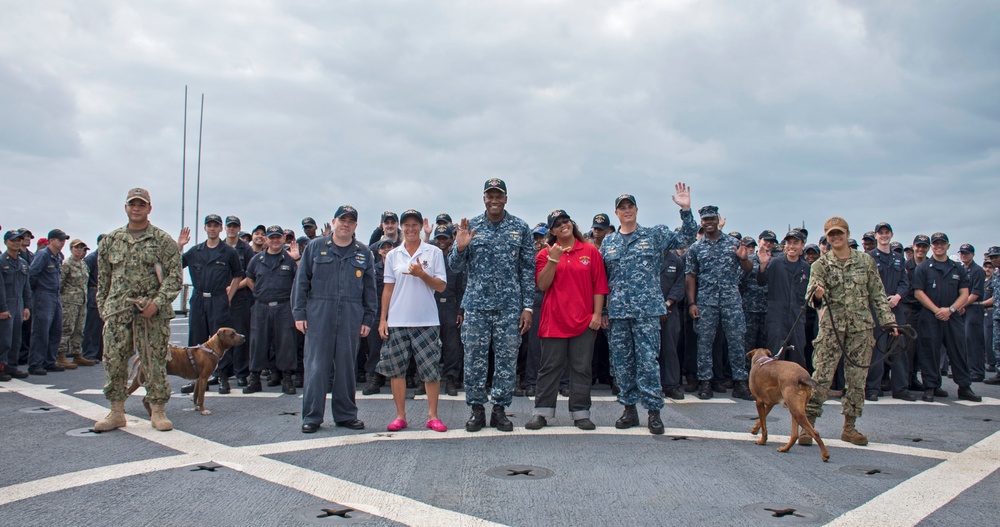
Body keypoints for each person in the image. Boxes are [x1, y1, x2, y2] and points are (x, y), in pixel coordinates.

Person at [601, 184, 697, 435]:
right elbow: (601, 280)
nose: (627, 210)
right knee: (622, 364)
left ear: (636, 210)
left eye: (630, 206)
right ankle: (629, 409)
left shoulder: (653, 236)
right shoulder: (608, 242)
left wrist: (686, 210)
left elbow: (687, 238)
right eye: (622, 208)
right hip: (619, 313)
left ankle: (654, 412)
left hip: (645, 312)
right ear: (616, 213)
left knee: (648, 362)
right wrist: (602, 312)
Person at [94, 187, 183, 432]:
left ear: (149, 209)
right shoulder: (111, 241)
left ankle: (158, 410)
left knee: (154, 361)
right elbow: (103, 280)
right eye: (132, 204)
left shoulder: (162, 241)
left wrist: (157, 303)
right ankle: (116, 410)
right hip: (118, 312)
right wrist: (104, 309)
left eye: (141, 204)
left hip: (151, 313)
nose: (136, 208)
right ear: (126, 207)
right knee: (114, 360)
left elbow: (175, 277)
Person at [804, 216, 899, 446]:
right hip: (832, 329)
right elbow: (810, 299)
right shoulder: (821, 265)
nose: (836, 237)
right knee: (821, 377)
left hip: (861, 329)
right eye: (831, 235)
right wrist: (817, 295)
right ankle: (808, 426)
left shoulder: (865, 261)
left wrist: (889, 321)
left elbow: (877, 293)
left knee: (857, 378)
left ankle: (850, 427)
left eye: (839, 233)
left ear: (847, 234)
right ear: (827, 238)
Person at [449, 178, 534, 432]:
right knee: (474, 358)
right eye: (490, 196)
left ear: (506, 199)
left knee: (507, 360)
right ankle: (476, 409)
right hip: (476, 306)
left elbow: (527, 270)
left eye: (499, 196)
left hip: (509, 307)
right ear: (484, 198)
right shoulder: (471, 227)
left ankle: (499, 410)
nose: (494, 200)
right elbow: (454, 266)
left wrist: (527, 307)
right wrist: (461, 248)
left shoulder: (520, 228)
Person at [294, 205, 377, 433]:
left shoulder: (363, 253)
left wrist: (368, 318)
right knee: (316, 367)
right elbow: (301, 282)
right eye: (342, 220)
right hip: (320, 313)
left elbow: (369, 290)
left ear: (356, 226)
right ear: (333, 221)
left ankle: (346, 415)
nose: (346, 224)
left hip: (351, 314)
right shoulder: (315, 247)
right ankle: (311, 416)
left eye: (351, 221)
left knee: (346, 368)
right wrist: (299, 313)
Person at [525, 210, 608, 431]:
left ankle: (580, 413)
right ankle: (541, 412)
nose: (564, 225)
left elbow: (599, 286)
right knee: (549, 367)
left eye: (566, 221)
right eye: (558, 224)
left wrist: (597, 315)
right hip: (554, 321)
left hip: (584, 321)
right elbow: (542, 285)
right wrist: (553, 258)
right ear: (551, 231)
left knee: (581, 368)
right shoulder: (544, 254)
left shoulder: (590, 251)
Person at [376, 210, 449, 432]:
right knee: (396, 370)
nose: (410, 229)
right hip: (398, 320)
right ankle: (400, 416)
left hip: (426, 320)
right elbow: (388, 288)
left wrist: (422, 274)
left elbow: (441, 286)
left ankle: (432, 416)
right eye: (406, 225)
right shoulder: (393, 255)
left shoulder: (433, 252)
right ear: (401, 228)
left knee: (430, 370)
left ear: (420, 227)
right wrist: (383, 319)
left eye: (414, 225)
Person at [686, 205, 753, 401]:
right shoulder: (696, 248)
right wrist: (692, 303)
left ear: (718, 220)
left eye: (712, 219)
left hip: (731, 300)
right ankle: (705, 382)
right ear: (701, 222)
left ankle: (740, 382)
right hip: (706, 301)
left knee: (736, 341)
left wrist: (743, 259)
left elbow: (748, 268)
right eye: (705, 220)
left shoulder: (733, 243)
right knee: (704, 342)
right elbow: (690, 276)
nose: (709, 222)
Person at [177, 215, 244, 395]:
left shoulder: (228, 252)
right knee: (196, 340)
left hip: (218, 299)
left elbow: (238, 275)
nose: (212, 229)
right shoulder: (195, 251)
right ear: (205, 228)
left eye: (216, 226)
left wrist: (229, 296)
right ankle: (197, 380)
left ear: (221, 229)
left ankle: (222, 377)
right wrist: (180, 246)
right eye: (209, 226)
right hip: (199, 299)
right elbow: (175, 265)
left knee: (222, 340)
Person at [911, 233, 982, 403]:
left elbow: (965, 293)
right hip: (930, 316)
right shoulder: (923, 268)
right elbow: (918, 292)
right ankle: (930, 386)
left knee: (958, 351)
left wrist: (950, 310)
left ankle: (964, 387)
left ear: (948, 246)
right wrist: (937, 310)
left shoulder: (957, 268)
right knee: (929, 352)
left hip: (952, 316)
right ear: (931, 246)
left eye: (942, 243)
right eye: (935, 244)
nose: (939, 246)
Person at [244, 226, 300, 395]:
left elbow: (300, 279)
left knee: (286, 343)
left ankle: (287, 378)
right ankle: (254, 378)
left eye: (278, 237)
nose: (275, 241)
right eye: (272, 238)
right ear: (267, 240)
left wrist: (297, 259)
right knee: (257, 343)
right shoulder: (257, 259)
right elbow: (249, 278)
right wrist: (260, 295)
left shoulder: (289, 260)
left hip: (284, 306)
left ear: (283, 239)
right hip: (261, 307)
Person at [865, 222, 915, 401]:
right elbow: (867, 284)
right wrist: (883, 300)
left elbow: (904, 282)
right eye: (881, 233)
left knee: (899, 348)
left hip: (896, 309)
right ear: (876, 236)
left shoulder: (899, 259)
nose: (884, 236)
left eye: (887, 233)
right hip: (877, 310)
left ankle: (900, 388)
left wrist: (898, 297)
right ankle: (872, 388)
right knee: (876, 348)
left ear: (891, 235)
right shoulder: (869, 258)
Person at [757, 230, 810, 367]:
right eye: (789, 243)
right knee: (775, 356)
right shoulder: (775, 263)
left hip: (796, 318)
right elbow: (761, 282)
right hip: (776, 318)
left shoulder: (806, 268)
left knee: (797, 355)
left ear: (802, 245)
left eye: (795, 243)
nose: (791, 246)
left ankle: (796, 388)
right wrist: (762, 266)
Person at [27, 229, 69, 374]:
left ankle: (49, 361)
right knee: (41, 330)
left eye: (63, 240)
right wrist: (36, 293)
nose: (62, 243)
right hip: (43, 294)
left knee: (55, 330)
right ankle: (35, 363)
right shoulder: (43, 254)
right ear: (51, 240)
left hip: (55, 294)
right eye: (59, 240)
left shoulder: (57, 257)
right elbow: (32, 274)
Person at [432, 225, 466, 397]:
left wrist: (460, 311)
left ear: (451, 239)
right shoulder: (429, 260)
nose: (442, 242)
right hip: (432, 306)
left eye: (445, 238)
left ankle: (451, 379)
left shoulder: (456, 261)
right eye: (438, 238)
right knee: (430, 345)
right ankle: (428, 380)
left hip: (451, 307)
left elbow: (461, 289)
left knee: (452, 347)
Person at [58, 239, 96, 367]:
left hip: (82, 300)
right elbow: (60, 283)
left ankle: (77, 354)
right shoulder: (67, 264)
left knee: (79, 329)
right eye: (77, 248)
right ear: (71, 249)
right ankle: (61, 355)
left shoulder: (83, 264)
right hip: (69, 301)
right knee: (67, 328)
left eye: (82, 248)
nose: (80, 250)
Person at [0, 230, 31, 381]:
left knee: (16, 338)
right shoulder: (1, 262)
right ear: (6, 242)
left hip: (19, 303)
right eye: (13, 240)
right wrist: (2, 308)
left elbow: (26, 287)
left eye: (18, 240)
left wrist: (27, 306)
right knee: (4, 339)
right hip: (6, 303)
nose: (16, 243)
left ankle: (12, 366)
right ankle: (1, 367)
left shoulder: (23, 263)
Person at [957, 244, 986, 381]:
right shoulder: (962, 269)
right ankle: (967, 369)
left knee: (973, 340)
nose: (964, 255)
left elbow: (975, 293)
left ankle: (977, 370)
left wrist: (961, 304)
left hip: (974, 307)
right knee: (964, 340)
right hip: (964, 308)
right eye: (962, 253)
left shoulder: (978, 271)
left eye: (966, 253)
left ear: (973, 254)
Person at [81, 234, 105, 362]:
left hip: (104, 293)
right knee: (92, 325)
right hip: (93, 292)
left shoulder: (107, 258)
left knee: (102, 325)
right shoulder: (91, 258)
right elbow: (85, 277)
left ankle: (99, 353)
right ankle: (89, 353)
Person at [983, 247, 1000, 384]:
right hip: (996, 313)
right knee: (996, 344)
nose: (994, 259)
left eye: (996, 256)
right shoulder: (996, 274)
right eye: (992, 257)